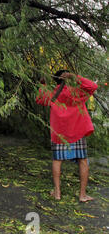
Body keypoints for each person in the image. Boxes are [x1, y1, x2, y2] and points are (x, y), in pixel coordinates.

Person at [36, 70, 98, 202]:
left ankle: (57, 193)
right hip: (77, 131)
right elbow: (93, 86)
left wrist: (43, 84)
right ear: (68, 79)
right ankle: (82, 195)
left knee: (57, 160)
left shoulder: (52, 94)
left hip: (59, 133)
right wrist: (75, 77)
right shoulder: (77, 92)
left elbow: (40, 99)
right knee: (82, 160)